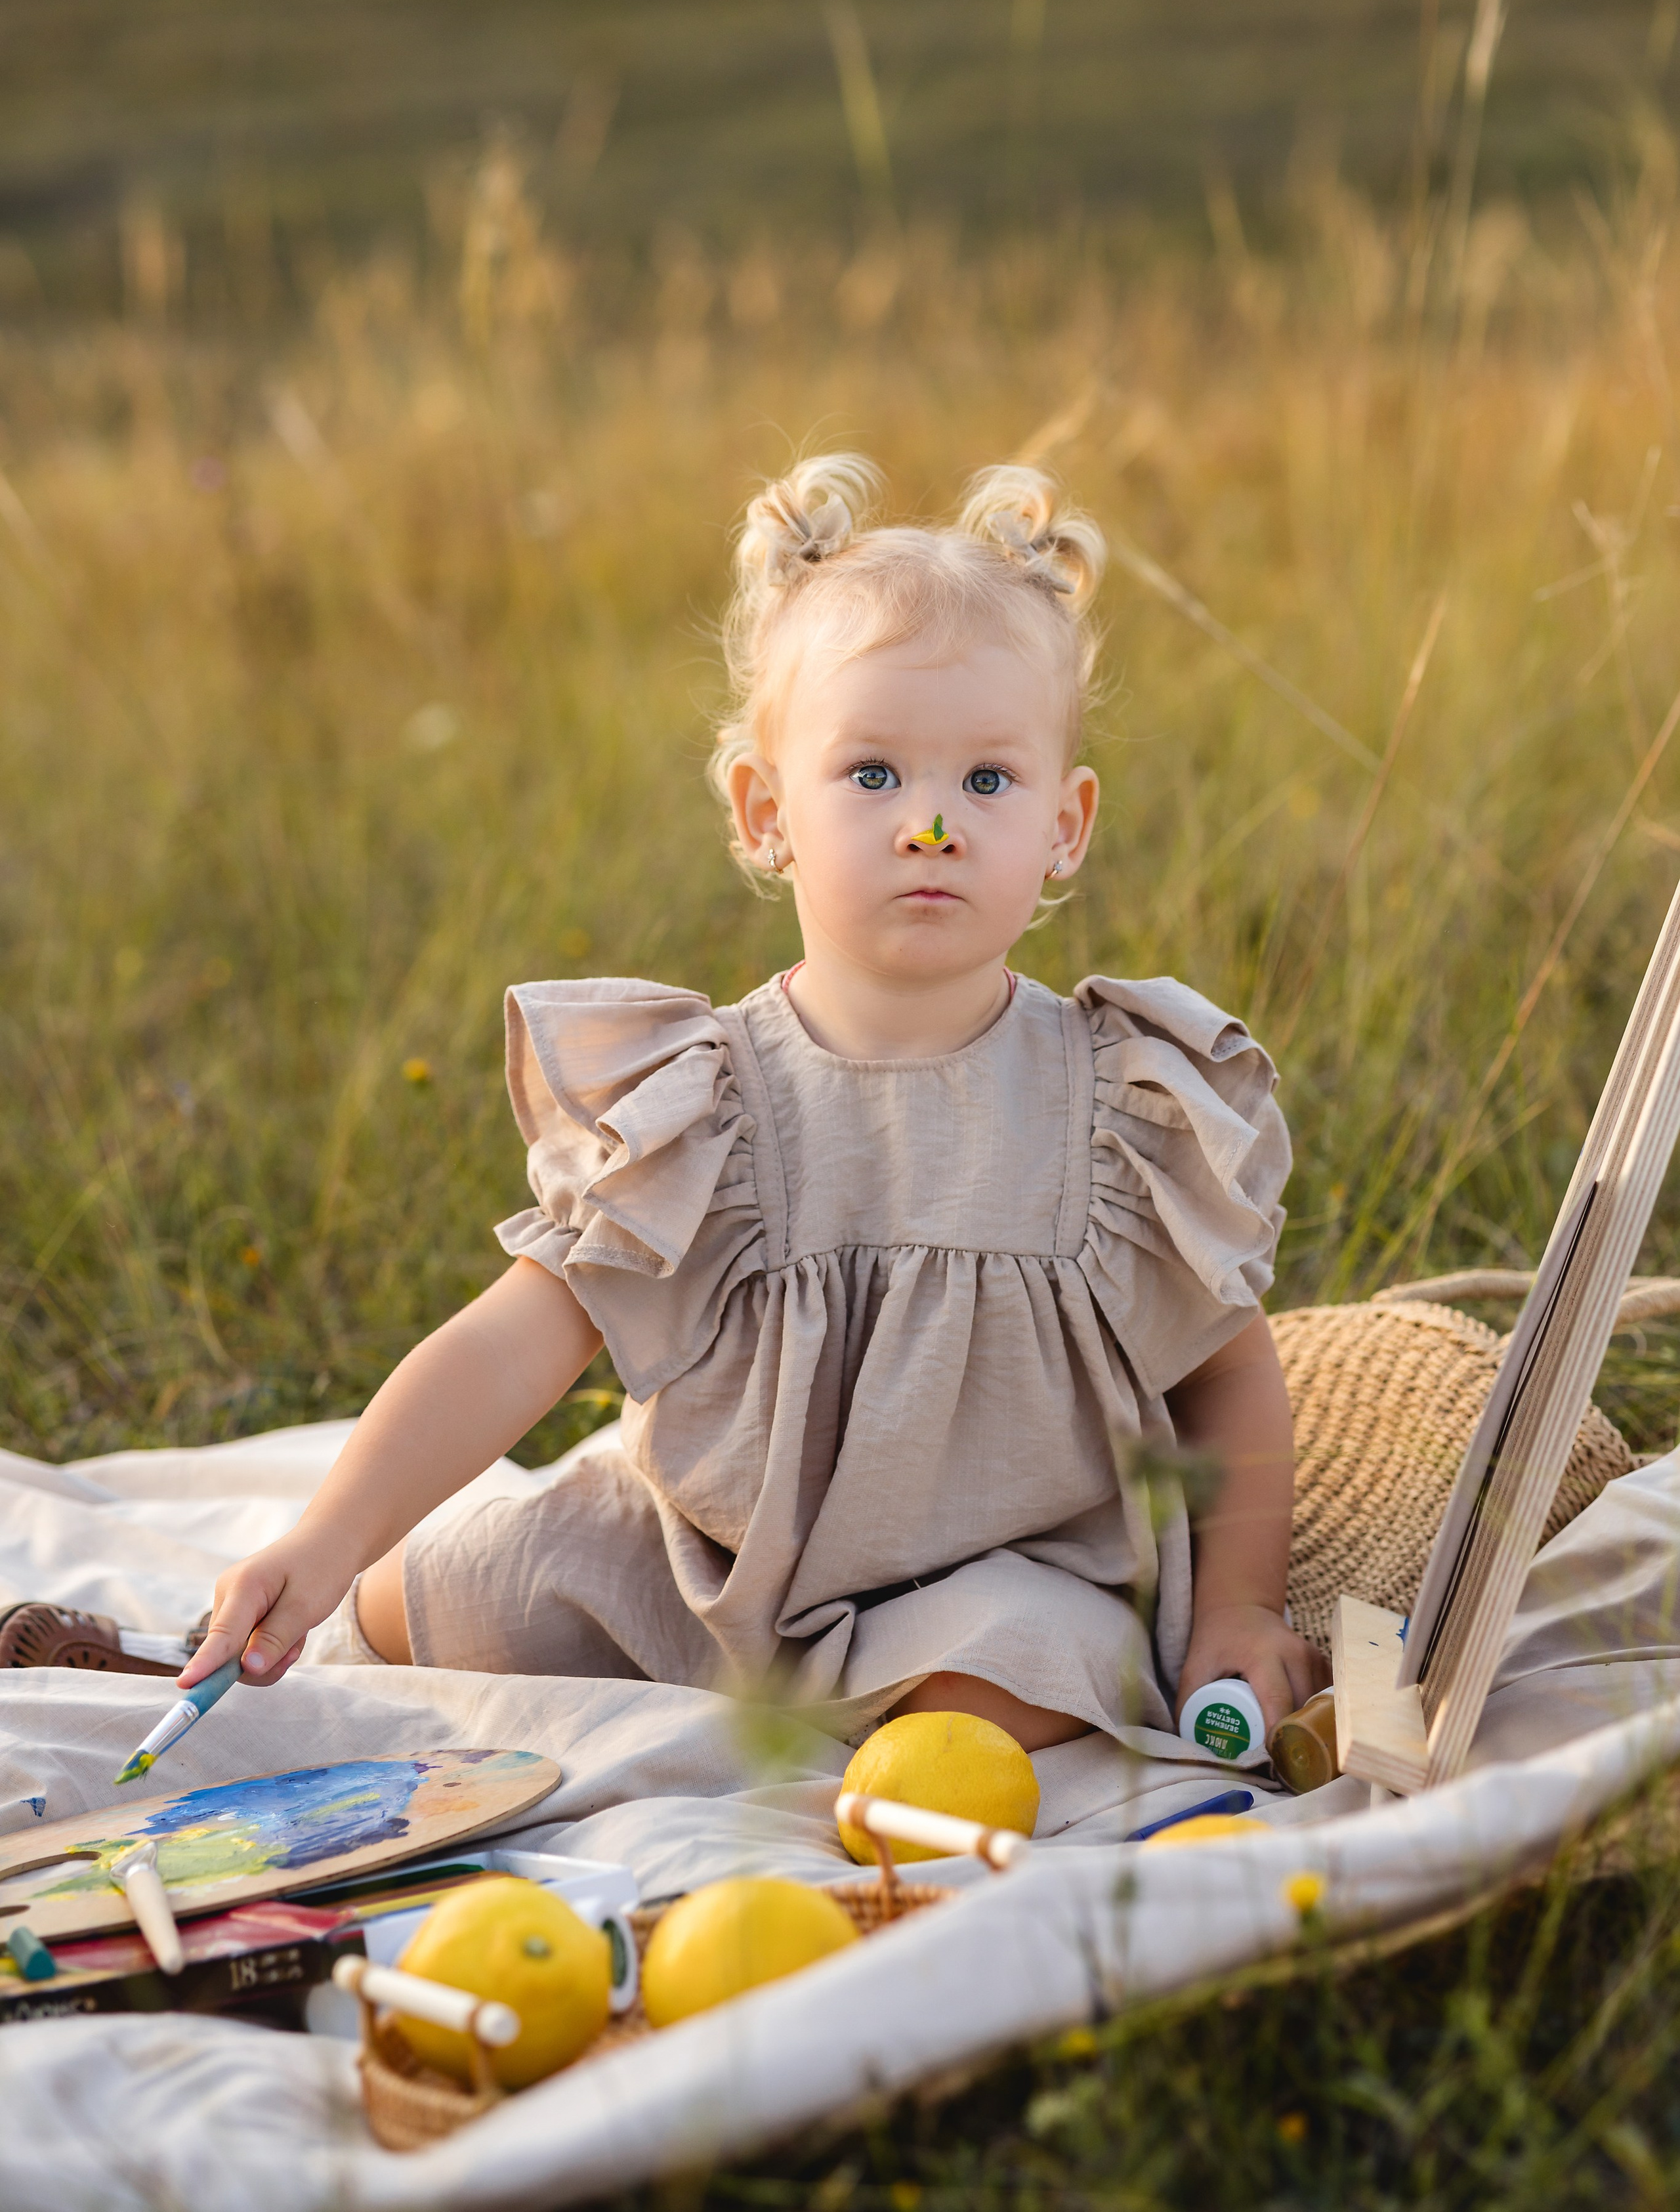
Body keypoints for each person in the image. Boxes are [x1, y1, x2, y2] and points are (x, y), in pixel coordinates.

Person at [182, 455, 1327, 1752]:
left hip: (1002, 1576)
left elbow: (1226, 1375)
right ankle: (203, 1651)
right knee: (451, 1594)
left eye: (987, 783)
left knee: (1023, 1680)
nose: (932, 829)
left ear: (1065, 826)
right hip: (707, 1573)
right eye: (874, 775)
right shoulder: (705, 1102)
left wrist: (1234, 1608)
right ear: (764, 811)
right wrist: (327, 1541)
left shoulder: (1112, 1103)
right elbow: (515, 1340)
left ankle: (884, 1743)